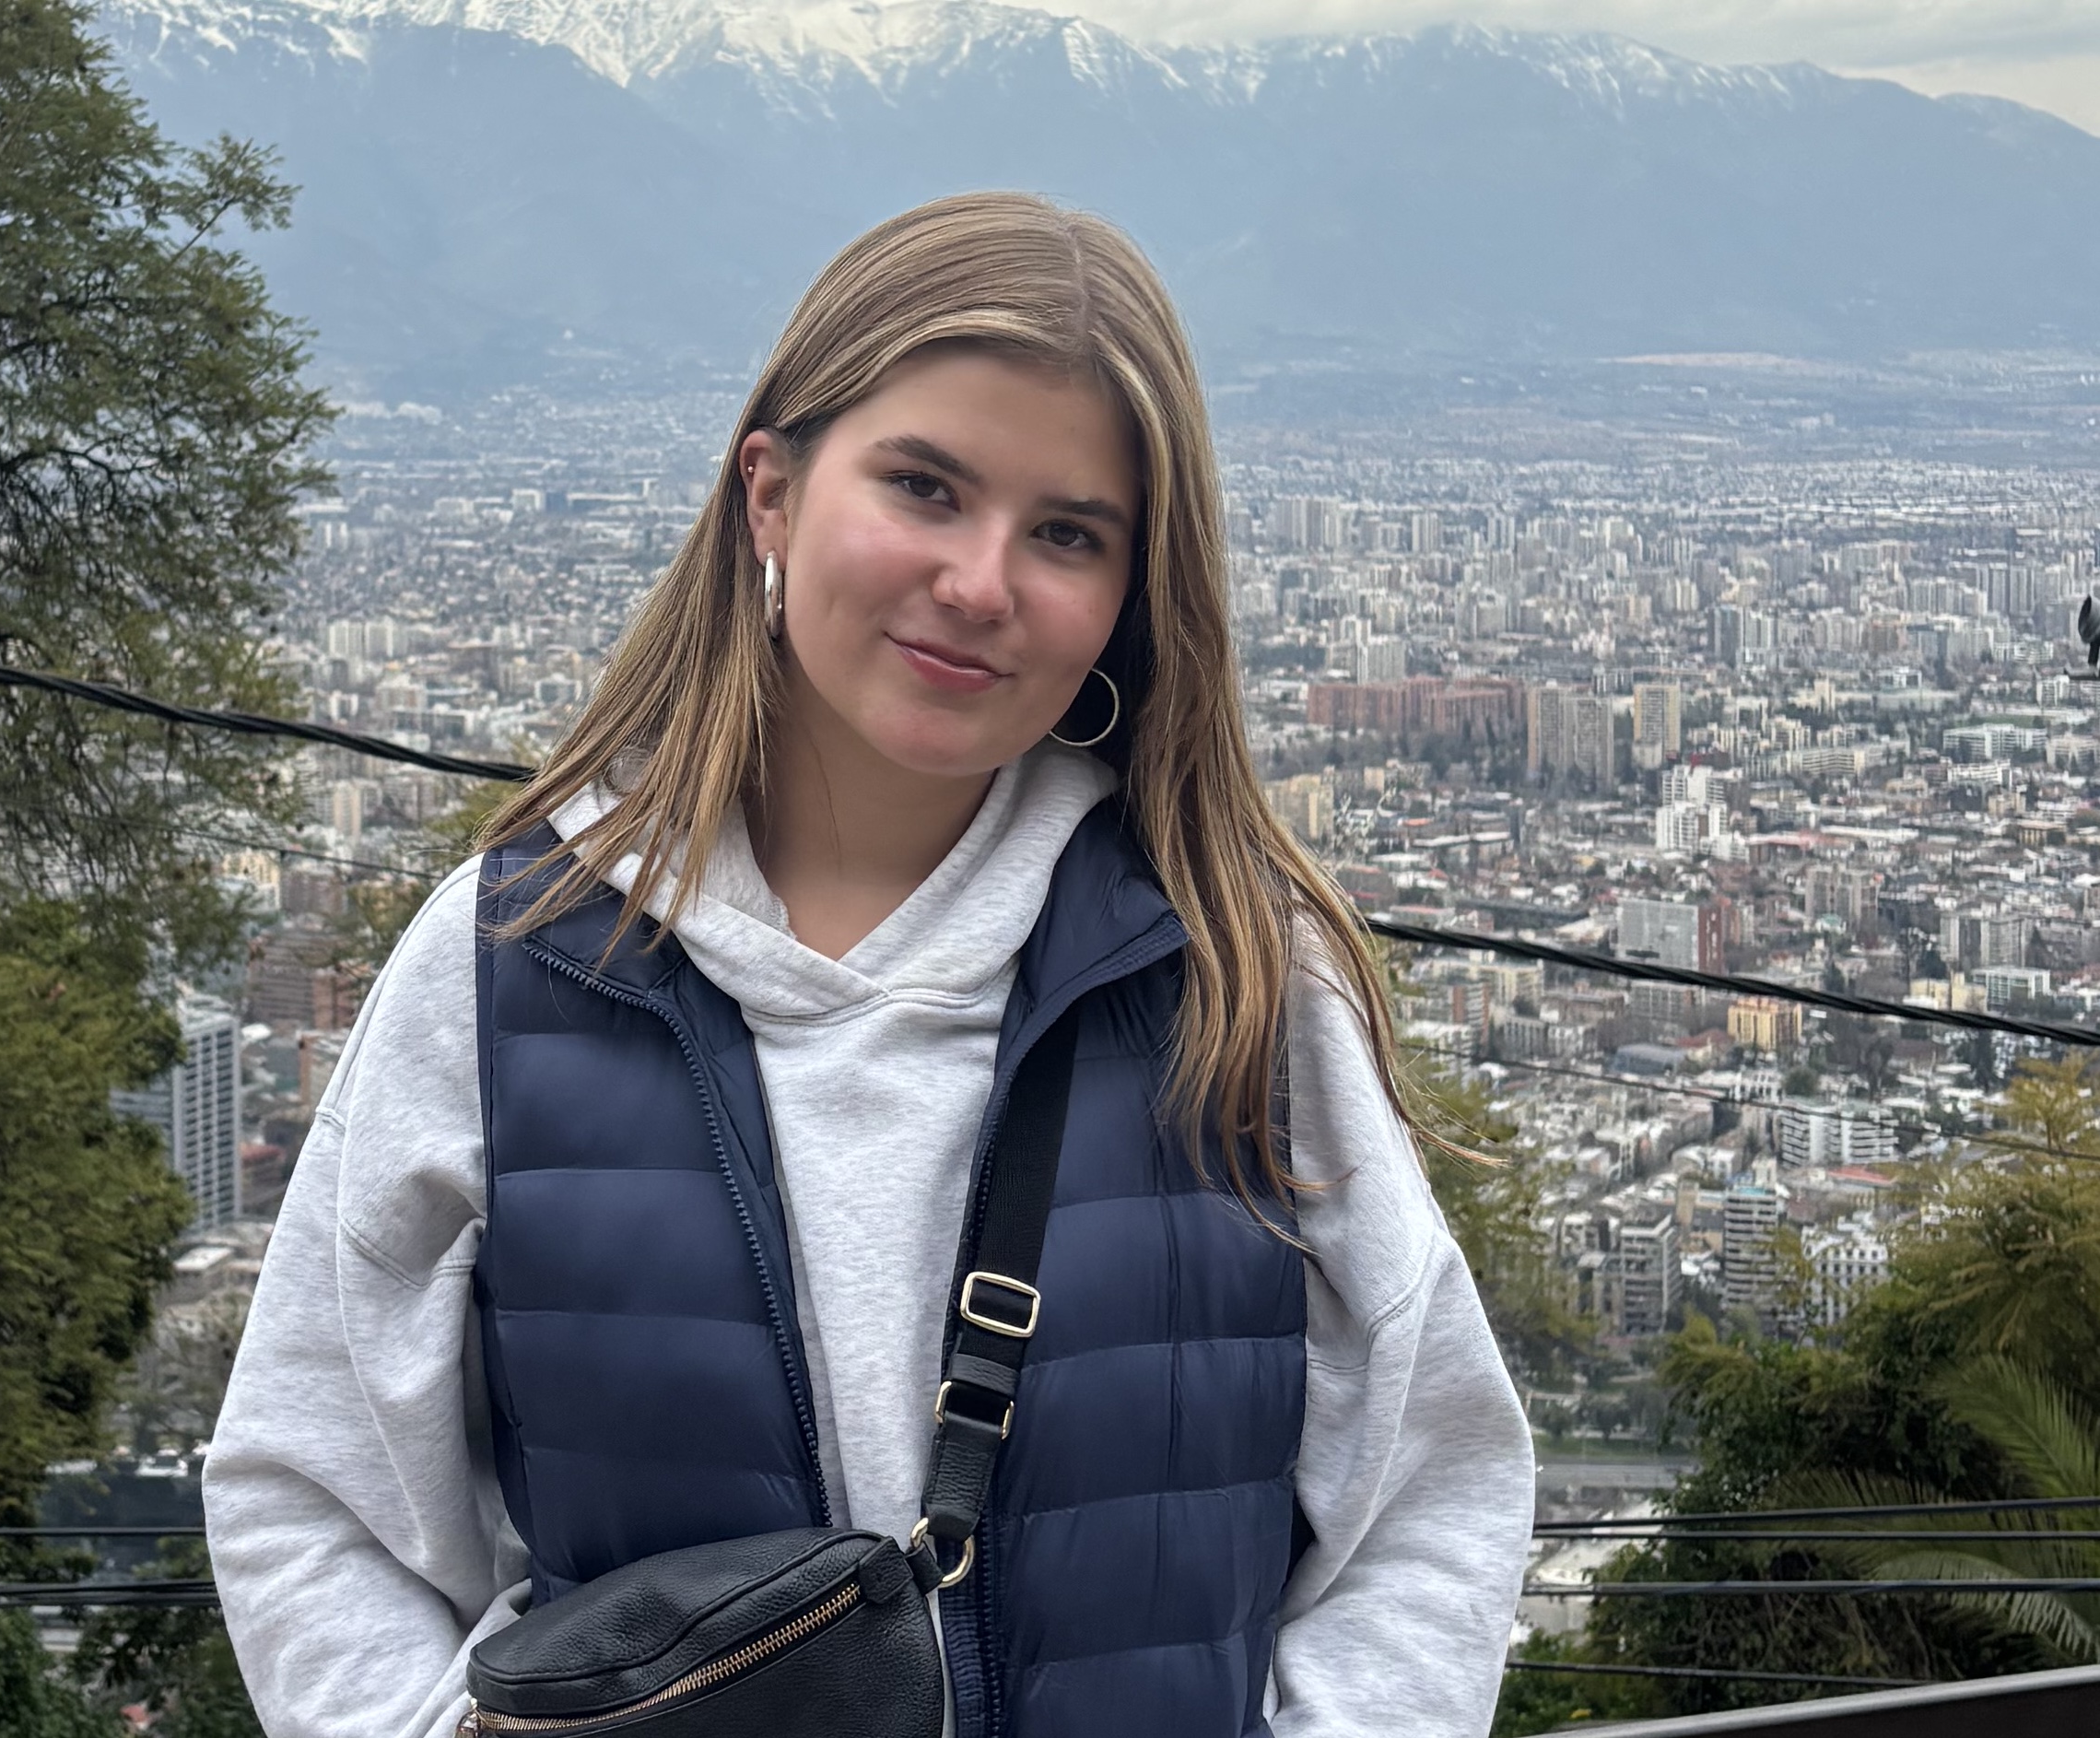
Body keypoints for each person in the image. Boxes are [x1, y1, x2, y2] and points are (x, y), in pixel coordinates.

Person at [205, 192, 1534, 1738]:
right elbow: (315, 1495)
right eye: (923, 486)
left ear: (1126, 597)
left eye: (1065, 533)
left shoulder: (1232, 973)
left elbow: (1429, 1497)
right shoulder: (512, 965)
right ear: (766, 491)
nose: (980, 582)